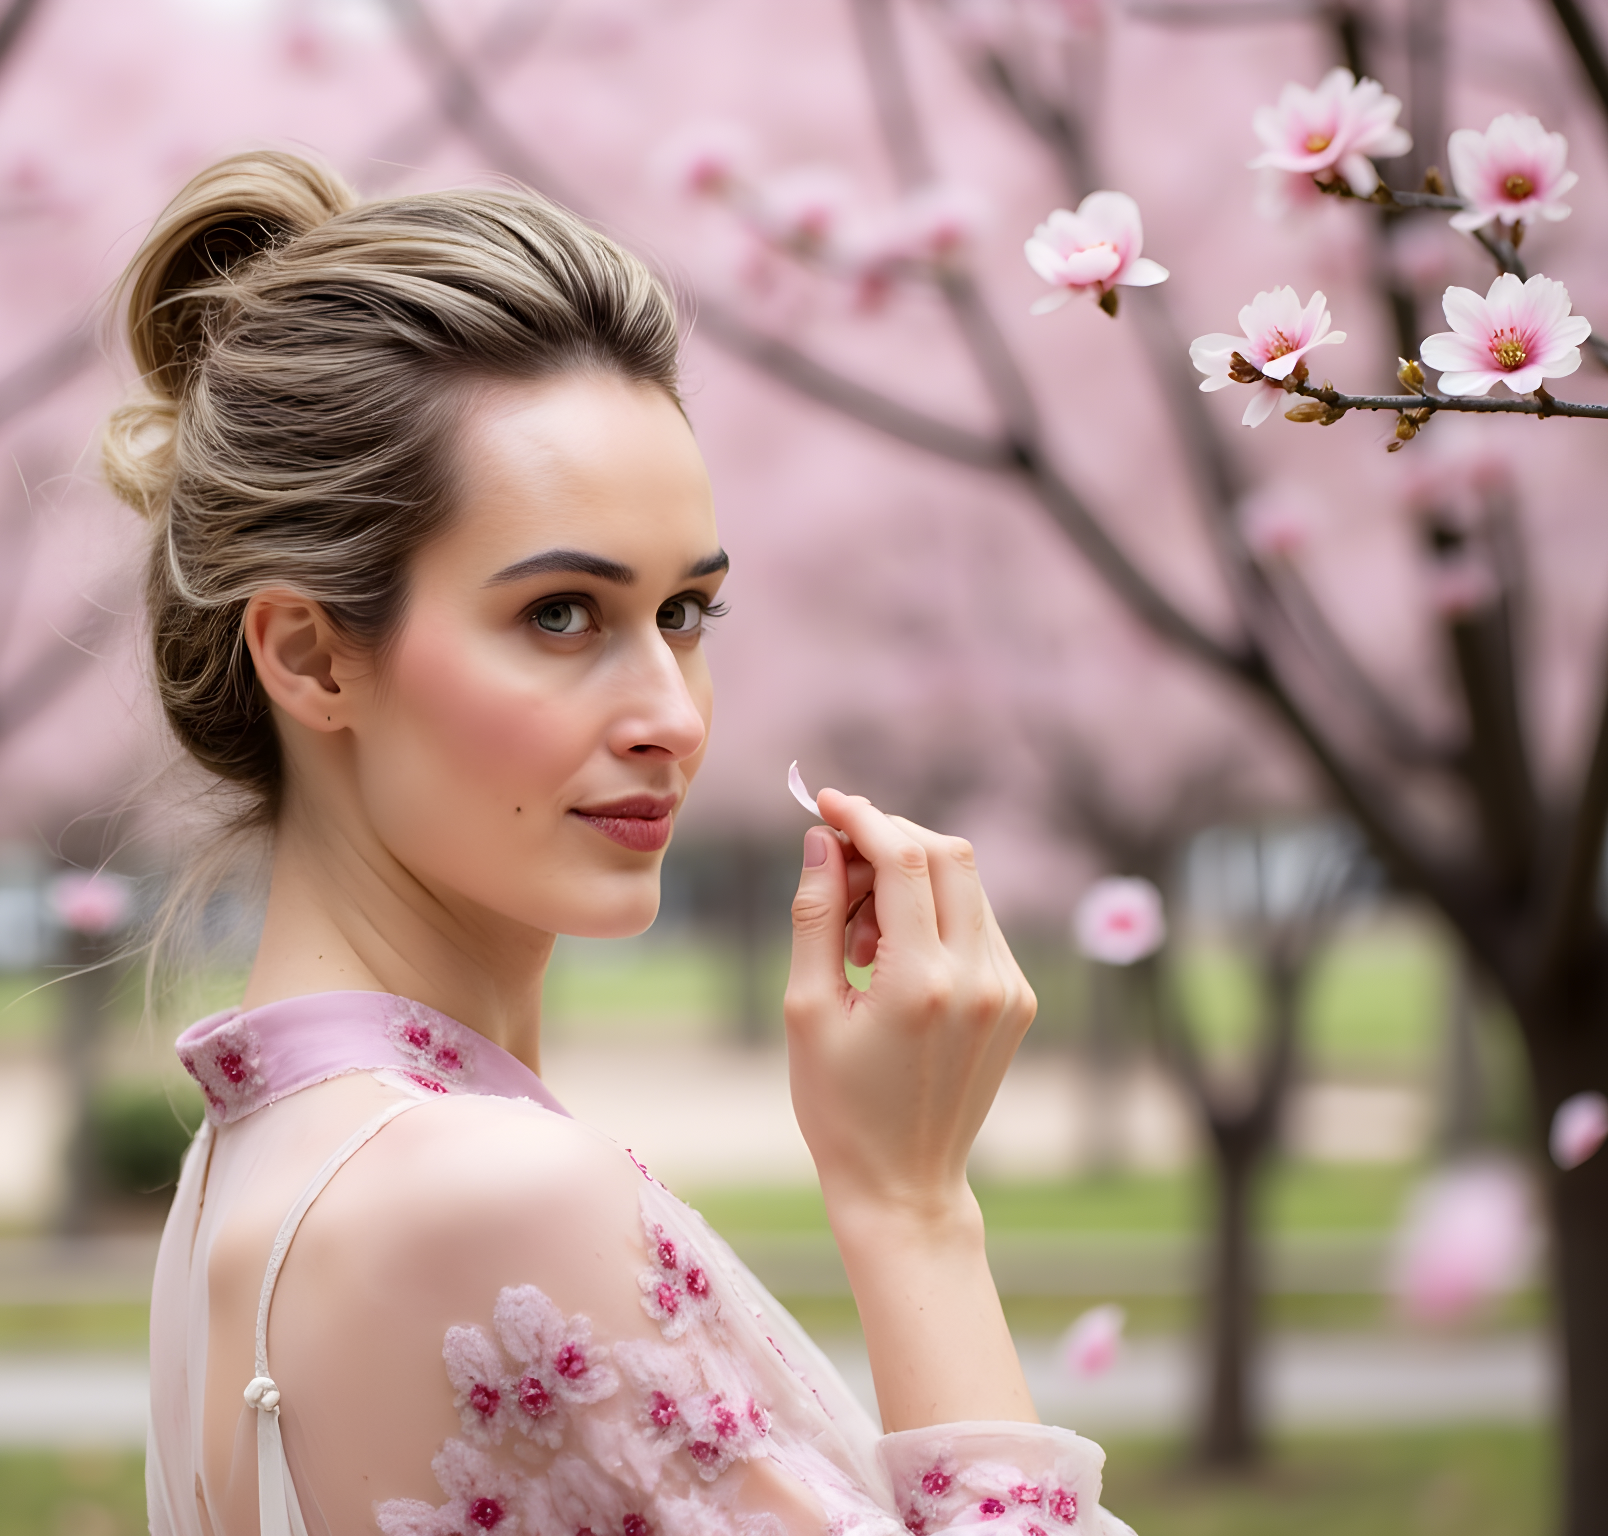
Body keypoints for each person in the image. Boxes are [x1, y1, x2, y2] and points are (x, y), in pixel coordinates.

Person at [108, 149, 1132, 1536]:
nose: (672, 717)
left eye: (685, 614)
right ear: (311, 656)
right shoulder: (482, 1196)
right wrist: (912, 1209)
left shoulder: (248, 1167)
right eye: (561, 615)